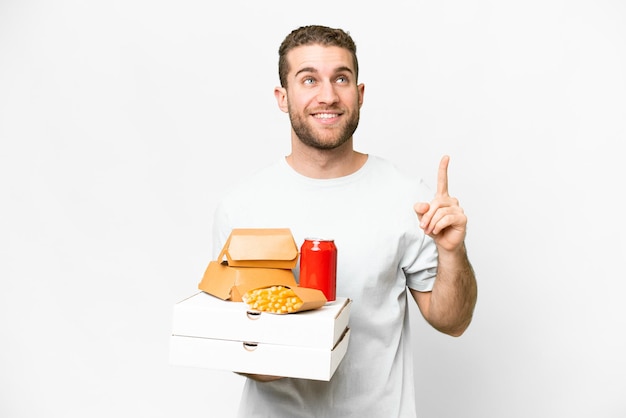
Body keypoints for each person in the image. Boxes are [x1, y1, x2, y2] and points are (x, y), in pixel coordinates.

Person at [211, 24, 478, 418]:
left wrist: (452, 251)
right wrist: (288, 337)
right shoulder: (242, 206)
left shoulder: (409, 198)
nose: (328, 95)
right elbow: (238, 349)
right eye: (308, 79)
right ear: (282, 98)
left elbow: (453, 322)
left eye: (341, 78)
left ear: (360, 93)